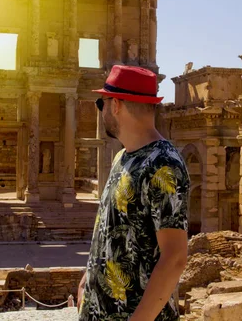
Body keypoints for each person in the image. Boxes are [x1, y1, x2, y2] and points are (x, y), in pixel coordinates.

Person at [78, 65, 190, 320]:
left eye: (101, 103)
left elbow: (174, 257)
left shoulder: (164, 165)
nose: (101, 110)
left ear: (115, 104)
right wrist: (89, 278)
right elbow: (112, 227)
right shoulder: (122, 158)